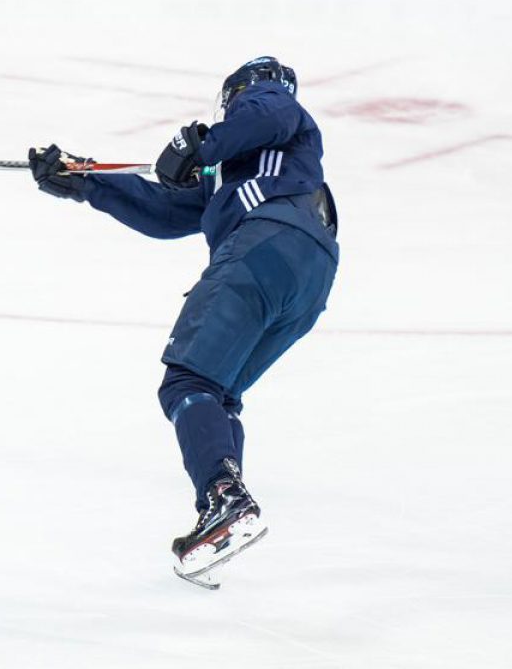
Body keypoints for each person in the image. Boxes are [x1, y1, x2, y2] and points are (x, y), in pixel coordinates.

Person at [28, 56, 339, 585]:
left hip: (266, 244)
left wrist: (202, 144)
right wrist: (86, 181)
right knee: (216, 395)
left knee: (188, 383)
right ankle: (223, 517)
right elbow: (166, 211)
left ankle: (225, 500)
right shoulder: (245, 168)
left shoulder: (266, 101)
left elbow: (268, 112)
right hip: (310, 275)